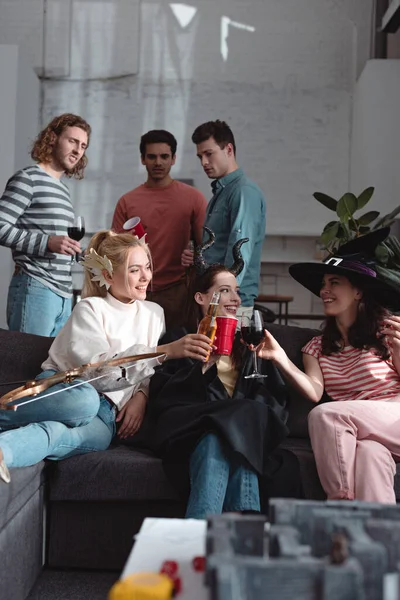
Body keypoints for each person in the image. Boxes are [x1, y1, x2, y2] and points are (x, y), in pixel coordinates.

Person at [0, 230, 214, 484]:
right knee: (86, 402)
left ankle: (6, 451)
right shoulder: (90, 308)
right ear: (108, 275)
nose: (146, 276)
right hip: (70, 391)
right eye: (135, 270)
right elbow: (98, 373)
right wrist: (165, 351)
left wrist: (141, 395)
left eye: (147, 266)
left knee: (56, 434)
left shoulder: (154, 314)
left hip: (108, 416)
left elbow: (148, 373)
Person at [148, 234, 290, 519]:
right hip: (190, 428)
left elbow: (272, 401)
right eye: (225, 290)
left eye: (236, 292)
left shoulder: (250, 345)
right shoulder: (180, 340)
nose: (235, 298)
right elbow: (165, 400)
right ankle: (241, 534)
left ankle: (197, 538)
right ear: (201, 297)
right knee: (235, 426)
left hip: (225, 434)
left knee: (222, 437)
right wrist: (202, 366)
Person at [255, 228, 400, 504]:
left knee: (325, 415)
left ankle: (339, 504)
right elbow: (313, 390)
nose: (325, 291)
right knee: (370, 455)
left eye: (334, 282)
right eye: (323, 284)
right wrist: (280, 358)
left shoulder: (388, 330)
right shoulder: (317, 347)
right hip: (365, 435)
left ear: (358, 292)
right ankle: (377, 542)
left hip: (395, 417)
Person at [0, 113, 91, 336]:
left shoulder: (62, 189)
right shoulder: (28, 179)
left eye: (83, 145)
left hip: (63, 295)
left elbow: (59, 246)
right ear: (52, 138)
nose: (78, 151)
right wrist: (46, 242)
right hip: (35, 288)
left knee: (52, 370)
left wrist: (84, 254)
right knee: (26, 368)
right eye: (72, 141)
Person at [111, 129, 207, 329]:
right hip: (136, 291)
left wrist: (194, 255)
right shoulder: (127, 201)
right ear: (142, 159)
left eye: (164, 156)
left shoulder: (193, 198)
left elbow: (207, 249)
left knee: (179, 355)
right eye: (152, 157)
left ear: (173, 159)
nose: (158, 162)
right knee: (137, 354)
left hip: (178, 292)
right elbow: (113, 252)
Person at [181, 120, 266, 317]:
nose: (203, 162)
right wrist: (197, 258)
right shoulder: (221, 194)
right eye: (200, 156)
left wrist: (223, 305)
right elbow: (217, 251)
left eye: (209, 154)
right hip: (216, 301)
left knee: (231, 349)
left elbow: (239, 256)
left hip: (231, 306)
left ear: (228, 149)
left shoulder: (243, 192)